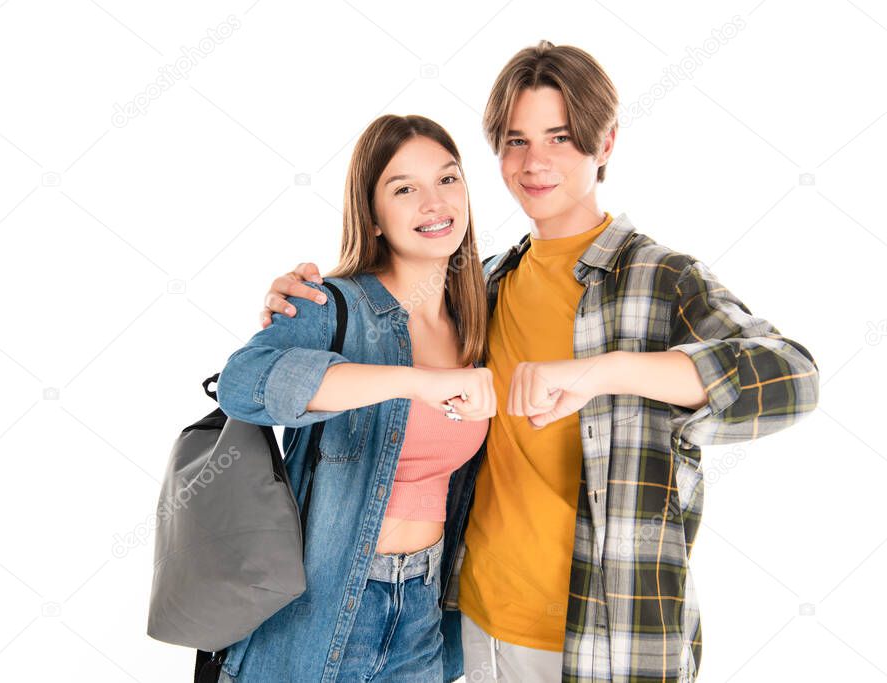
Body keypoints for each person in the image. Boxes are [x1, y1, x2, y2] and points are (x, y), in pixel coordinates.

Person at [257, 41, 819, 682]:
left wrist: (599, 372)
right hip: (467, 625)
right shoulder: (486, 287)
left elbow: (792, 376)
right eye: (516, 141)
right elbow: (384, 319)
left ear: (604, 144)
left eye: (560, 137)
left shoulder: (658, 279)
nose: (535, 162)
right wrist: (305, 303)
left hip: (605, 637)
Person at [214, 113, 498, 681]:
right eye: (404, 189)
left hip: (422, 613)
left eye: (447, 179)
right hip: (319, 616)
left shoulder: (485, 310)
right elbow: (240, 384)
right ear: (372, 218)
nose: (434, 203)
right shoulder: (333, 307)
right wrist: (415, 379)